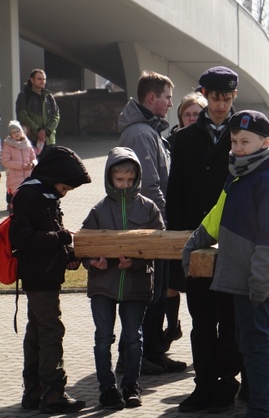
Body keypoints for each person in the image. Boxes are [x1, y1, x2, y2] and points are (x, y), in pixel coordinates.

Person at [183, 110, 269, 418]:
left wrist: (261, 282)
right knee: (252, 346)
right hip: (240, 279)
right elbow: (219, 215)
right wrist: (196, 241)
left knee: (259, 349)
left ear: (265, 141)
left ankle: (263, 410)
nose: (238, 147)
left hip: (255, 283)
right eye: (234, 141)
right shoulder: (239, 174)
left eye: (245, 141)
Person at [166, 66, 243, 413]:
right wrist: (179, 242)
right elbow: (175, 193)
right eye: (215, 98)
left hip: (234, 238)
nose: (221, 105)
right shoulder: (183, 139)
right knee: (200, 318)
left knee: (229, 316)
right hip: (195, 241)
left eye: (227, 98)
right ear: (204, 94)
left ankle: (228, 382)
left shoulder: (245, 134)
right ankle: (203, 384)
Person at [81, 147, 164, 409]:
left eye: (130, 180)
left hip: (136, 285)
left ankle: (130, 385)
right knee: (103, 337)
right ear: (110, 178)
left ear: (137, 178)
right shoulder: (99, 210)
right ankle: (107, 389)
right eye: (120, 180)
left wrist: (137, 262)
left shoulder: (149, 209)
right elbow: (83, 245)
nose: (125, 185)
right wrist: (94, 262)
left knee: (133, 337)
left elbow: (158, 246)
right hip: (103, 284)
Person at [10, 146, 91, 413]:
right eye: (65, 188)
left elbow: (50, 229)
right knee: (51, 332)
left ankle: (33, 392)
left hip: (45, 274)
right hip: (38, 277)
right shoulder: (30, 195)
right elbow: (22, 238)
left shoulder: (44, 194)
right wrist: (63, 239)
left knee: (36, 333)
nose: (64, 193)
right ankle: (53, 393)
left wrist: (67, 253)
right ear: (53, 176)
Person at [117, 70, 186, 375]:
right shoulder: (142, 134)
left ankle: (153, 352)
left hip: (150, 226)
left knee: (156, 294)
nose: (171, 104)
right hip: (148, 229)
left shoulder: (148, 130)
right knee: (148, 294)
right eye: (168, 97)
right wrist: (164, 226)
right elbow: (150, 186)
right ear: (151, 98)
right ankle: (139, 356)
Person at [165, 91, 207, 350]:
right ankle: (172, 326)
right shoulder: (174, 143)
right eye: (187, 114)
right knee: (174, 282)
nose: (192, 118)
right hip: (180, 225)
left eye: (196, 114)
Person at [14, 69, 60, 157]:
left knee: (48, 167)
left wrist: (47, 131)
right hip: (31, 140)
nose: (42, 81)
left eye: (44, 79)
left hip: (48, 140)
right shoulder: (24, 96)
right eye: (39, 79)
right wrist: (38, 130)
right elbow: (22, 115)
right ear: (32, 80)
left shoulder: (49, 96)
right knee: (33, 168)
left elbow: (56, 115)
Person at [2, 120, 36, 213]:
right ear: (10, 134)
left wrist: (32, 164)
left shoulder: (27, 144)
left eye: (18, 131)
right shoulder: (8, 145)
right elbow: (5, 161)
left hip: (28, 177)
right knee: (17, 203)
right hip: (14, 178)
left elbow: (34, 158)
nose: (16, 133)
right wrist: (21, 166)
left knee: (28, 202)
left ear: (21, 131)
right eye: (13, 132)